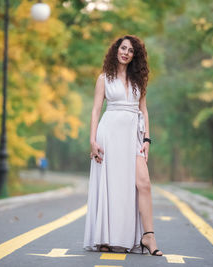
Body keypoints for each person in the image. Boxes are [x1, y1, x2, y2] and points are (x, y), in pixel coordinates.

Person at [83, 35, 163, 256]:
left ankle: (149, 236)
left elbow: (144, 111)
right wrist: (92, 140)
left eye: (130, 51)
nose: (126, 52)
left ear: (134, 56)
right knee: (111, 185)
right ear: (116, 50)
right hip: (108, 134)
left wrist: (147, 139)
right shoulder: (104, 79)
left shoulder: (139, 81)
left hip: (133, 136)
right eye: (123, 48)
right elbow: (95, 111)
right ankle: (106, 237)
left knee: (143, 183)